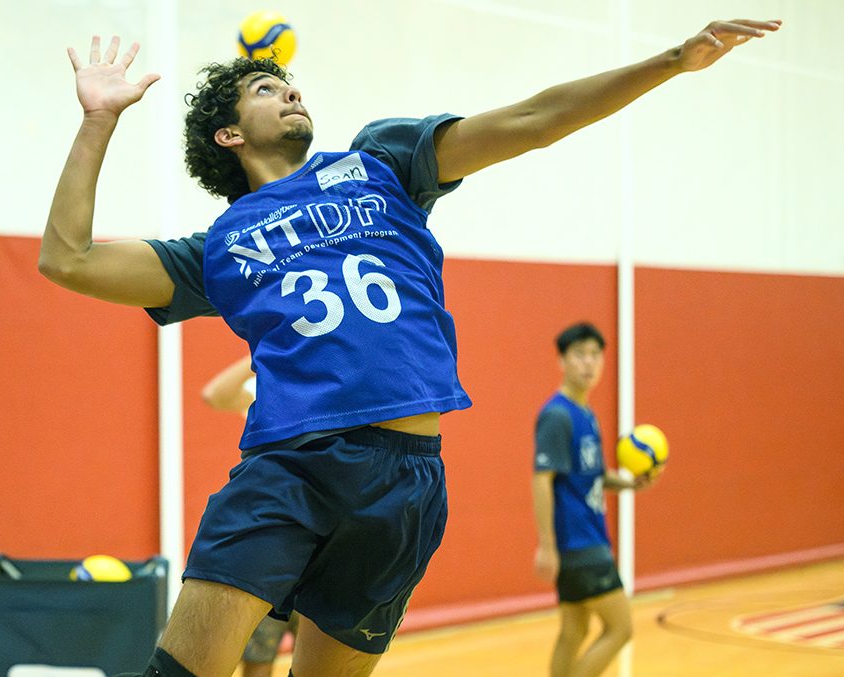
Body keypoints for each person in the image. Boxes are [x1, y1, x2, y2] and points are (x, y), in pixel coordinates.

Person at [39, 19, 779, 677]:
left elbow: (533, 120)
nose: (291, 92)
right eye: (268, 88)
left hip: (408, 481)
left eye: (291, 84)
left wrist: (669, 62)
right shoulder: (215, 248)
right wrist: (98, 120)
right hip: (290, 468)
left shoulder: (381, 160)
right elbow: (66, 259)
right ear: (229, 136)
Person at [531, 322, 656, 677]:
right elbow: (542, 480)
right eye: (580, 355)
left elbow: (595, 476)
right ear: (562, 361)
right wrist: (547, 545)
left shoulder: (588, 415)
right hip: (580, 542)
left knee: (575, 631)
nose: (589, 363)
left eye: (595, 355)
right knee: (621, 629)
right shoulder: (557, 415)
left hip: (587, 539)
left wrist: (630, 484)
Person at [202, 355, 299, 677]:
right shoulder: (269, 395)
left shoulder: (338, 389)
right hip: (273, 542)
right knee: (258, 657)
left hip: (328, 541)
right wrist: (264, 348)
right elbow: (215, 394)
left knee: (324, 657)